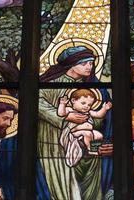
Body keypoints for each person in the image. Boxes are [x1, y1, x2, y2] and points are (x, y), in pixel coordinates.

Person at [37, 46, 113, 200]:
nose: (89, 67)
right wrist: (65, 117)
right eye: (84, 63)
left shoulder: (98, 89)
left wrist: (108, 144)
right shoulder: (49, 85)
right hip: (56, 148)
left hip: (91, 153)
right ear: (71, 63)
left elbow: (105, 123)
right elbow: (36, 104)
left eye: (91, 64)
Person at [58, 89, 112, 163]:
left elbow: (98, 115)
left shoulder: (88, 112)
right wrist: (62, 104)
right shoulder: (69, 110)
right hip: (73, 133)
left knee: (99, 135)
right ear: (73, 100)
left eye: (89, 105)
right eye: (83, 103)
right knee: (87, 133)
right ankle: (90, 150)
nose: (86, 106)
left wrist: (104, 109)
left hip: (86, 132)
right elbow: (61, 114)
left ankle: (94, 149)